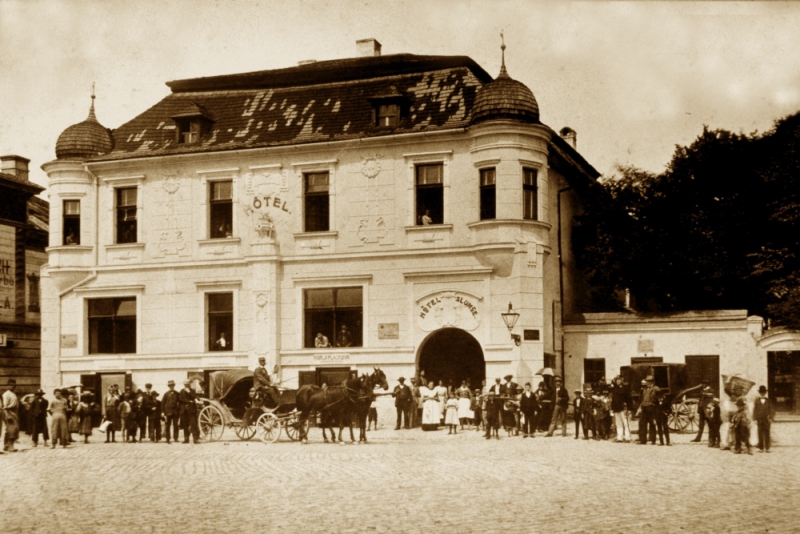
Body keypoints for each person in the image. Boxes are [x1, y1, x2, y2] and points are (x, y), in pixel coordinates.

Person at [609, 375, 632, 443]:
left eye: (619, 380)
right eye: (617, 380)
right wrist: (612, 408)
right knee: (618, 423)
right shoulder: (614, 389)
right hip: (616, 408)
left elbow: (629, 398)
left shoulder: (625, 388)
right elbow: (613, 399)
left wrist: (629, 408)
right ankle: (620, 437)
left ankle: (627, 437)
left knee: (626, 423)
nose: (618, 381)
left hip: (623, 408)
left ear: (622, 381)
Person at [637, 376, 658, 445]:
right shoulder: (644, 389)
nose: (648, 383)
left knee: (652, 424)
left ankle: (653, 439)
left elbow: (659, 399)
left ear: (653, 382)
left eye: (649, 382)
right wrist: (640, 407)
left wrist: (655, 406)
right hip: (644, 407)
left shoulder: (656, 389)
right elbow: (642, 399)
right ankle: (643, 440)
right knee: (642, 423)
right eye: (647, 382)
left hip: (651, 407)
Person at [753, 385, 774, 453]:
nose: (762, 393)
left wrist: (771, 418)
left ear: (765, 393)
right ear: (759, 393)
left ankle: (767, 448)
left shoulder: (768, 400)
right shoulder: (757, 401)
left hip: (766, 419)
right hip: (759, 419)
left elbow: (771, 410)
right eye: (761, 392)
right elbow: (755, 410)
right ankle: (761, 448)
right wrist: (755, 419)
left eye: (763, 392)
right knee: (760, 433)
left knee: (767, 433)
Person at [179, 379, 200, 444]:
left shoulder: (192, 391)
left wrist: (189, 392)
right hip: (184, 411)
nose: (186, 386)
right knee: (185, 425)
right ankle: (186, 439)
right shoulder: (182, 391)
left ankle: (195, 439)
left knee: (193, 425)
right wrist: (188, 401)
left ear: (189, 384)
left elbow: (194, 397)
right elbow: (180, 399)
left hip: (191, 410)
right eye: (185, 385)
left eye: (188, 384)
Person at [2, 379, 20, 452]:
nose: (13, 386)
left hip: (14, 412)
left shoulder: (13, 394)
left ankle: (7, 446)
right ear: (8, 386)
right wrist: (7, 415)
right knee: (12, 430)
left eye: (14, 385)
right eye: (11, 385)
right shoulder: (6, 394)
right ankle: (10, 446)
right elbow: (4, 406)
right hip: (9, 412)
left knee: (12, 430)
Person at [162, 380, 180, 444]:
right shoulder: (166, 394)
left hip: (175, 412)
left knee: (176, 425)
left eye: (172, 385)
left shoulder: (177, 394)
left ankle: (176, 438)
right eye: (170, 386)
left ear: (174, 386)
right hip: (168, 412)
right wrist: (163, 412)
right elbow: (162, 403)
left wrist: (179, 411)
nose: (171, 386)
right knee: (167, 426)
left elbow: (180, 403)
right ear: (168, 386)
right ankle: (167, 439)